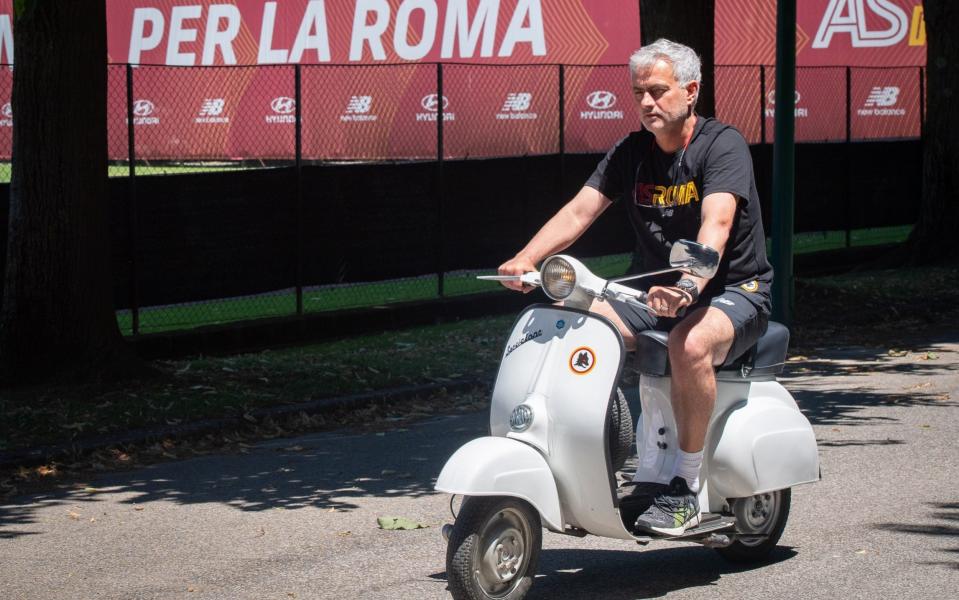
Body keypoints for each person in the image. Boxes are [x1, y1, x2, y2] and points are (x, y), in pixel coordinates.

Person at [497, 39, 773, 536]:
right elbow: (579, 210)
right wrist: (525, 258)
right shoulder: (631, 152)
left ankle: (684, 487)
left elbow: (718, 220)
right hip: (656, 296)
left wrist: (690, 284)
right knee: (583, 328)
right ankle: (598, 455)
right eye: (638, 92)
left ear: (691, 91)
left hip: (735, 291)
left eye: (658, 91)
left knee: (689, 345)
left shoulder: (721, 144)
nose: (646, 102)